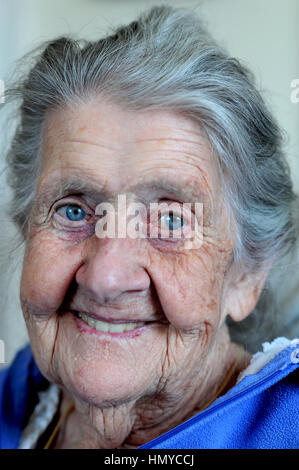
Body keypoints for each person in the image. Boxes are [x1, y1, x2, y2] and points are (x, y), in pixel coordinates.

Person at [0, 6, 298, 449]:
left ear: (247, 274)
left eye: (172, 221)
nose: (105, 279)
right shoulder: (15, 397)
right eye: (74, 211)